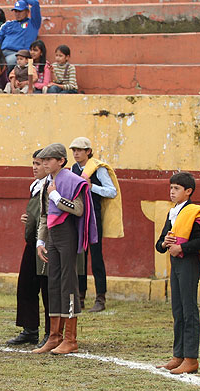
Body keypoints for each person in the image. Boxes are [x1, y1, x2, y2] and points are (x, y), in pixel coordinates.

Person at [33, 143, 97, 355]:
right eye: (43, 161)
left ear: (61, 160)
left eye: (48, 160)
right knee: (53, 283)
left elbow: (78, 209)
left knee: (68, 283)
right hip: (52, 236)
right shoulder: (47, 182)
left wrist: (56, 197)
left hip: (68, 234)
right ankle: (54, 336)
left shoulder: (72, 181)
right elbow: (44, 215)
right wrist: (40, 242)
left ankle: (70, 339)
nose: (44, 164)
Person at [155, 172, 200, 375]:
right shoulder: (172, 212)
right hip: (175, 263)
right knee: (178, 309)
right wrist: (165, 244)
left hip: (188, 262)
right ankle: (179, 355)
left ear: (188, 191)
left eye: (176, 188)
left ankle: (191, 358)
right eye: (171, 188)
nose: (172, 192)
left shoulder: (195, 212)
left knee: (189, 309)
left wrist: (182, 249)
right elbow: (160, 244)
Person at [70, 137, 123, 312]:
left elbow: (112, 191)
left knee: (96, 257)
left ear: (88, 152)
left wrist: (92, 187)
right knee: (80, 257)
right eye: (74, 150)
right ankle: (81, 296)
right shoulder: (74, 169)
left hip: (93, 217)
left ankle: (101, 297)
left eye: (79, 150)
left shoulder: (98, 169)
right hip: (78, 216)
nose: (76, 153)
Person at [7, 150, 50, 346]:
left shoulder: (52, 185)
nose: (35, 167)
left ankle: (52, 332)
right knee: (26, 284)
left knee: (48, 289)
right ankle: (30, 328)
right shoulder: (35, 186)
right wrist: (28, 219)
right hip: (33, 241)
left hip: (47, 242)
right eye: (33, 163)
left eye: (39, 164)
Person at [0, 0, 41, 74]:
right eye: (15, 11)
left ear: (27, 12)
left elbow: (35, 3)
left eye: (20, 11)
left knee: (7, 62)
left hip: (18, 53)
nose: (17, 14)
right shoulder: (8, 24)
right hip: (2, 52)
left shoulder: (33, 23)